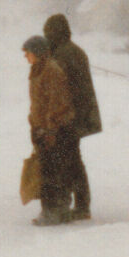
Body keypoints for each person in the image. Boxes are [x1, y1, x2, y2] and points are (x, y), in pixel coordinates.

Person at [43, 14, 102, 221]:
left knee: (68, 160)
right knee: (74, 159)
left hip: (69, 116)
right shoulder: (74, 51)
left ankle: (71, 204)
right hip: (80, 114)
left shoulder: (61, 55)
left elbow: (59, 88)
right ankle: (82, 204)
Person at [22, 35, 77, 226]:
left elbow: (57, 102)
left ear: (37, 53)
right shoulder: (38, 70)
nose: (25, 57)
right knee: (48, 171)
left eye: (28, 53)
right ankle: (54, 209)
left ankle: (55, 211)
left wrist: (50, 129)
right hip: (43, 128)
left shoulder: (51, 71)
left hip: (54, 130)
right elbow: (38, 101)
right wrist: (34, 123)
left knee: (53, 173)